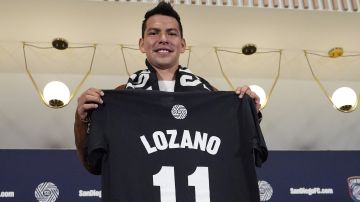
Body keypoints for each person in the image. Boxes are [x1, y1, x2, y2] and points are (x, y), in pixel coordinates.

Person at [74, 1, 261, 174]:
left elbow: (237, 155)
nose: (163, 39)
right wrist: (83, 119)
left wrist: (247, 111)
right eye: (153, 33)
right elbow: (94, 165)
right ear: (141, 44)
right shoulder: (120, 96)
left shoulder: (211, 96)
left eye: (172, 33)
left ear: (182, 44)